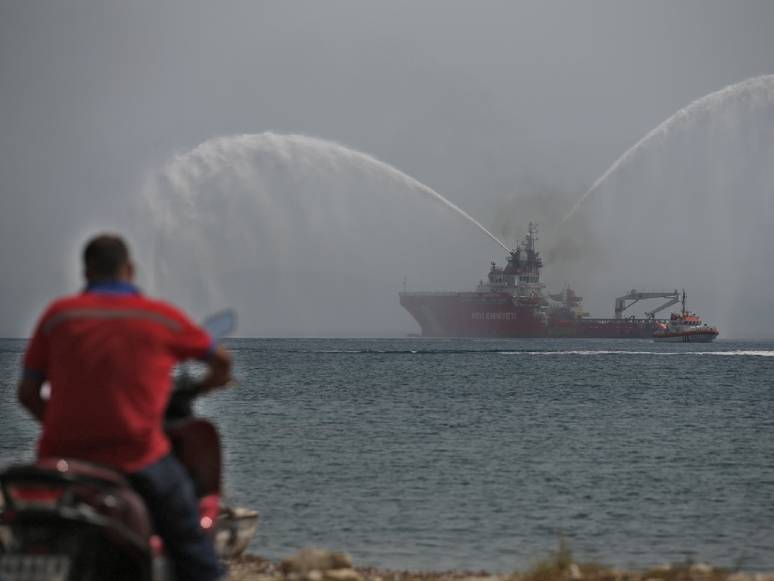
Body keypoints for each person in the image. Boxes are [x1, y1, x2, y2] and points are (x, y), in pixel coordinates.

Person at [17, 233, 232, 581]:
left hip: (60, 460)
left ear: (86, 273)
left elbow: (27, 393)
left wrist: (61, 426)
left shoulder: (57, 317)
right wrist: (209, 383)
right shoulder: (159, 318)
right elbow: (220, 360)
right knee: (190, 541)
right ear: (129, 270)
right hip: (136, 458)